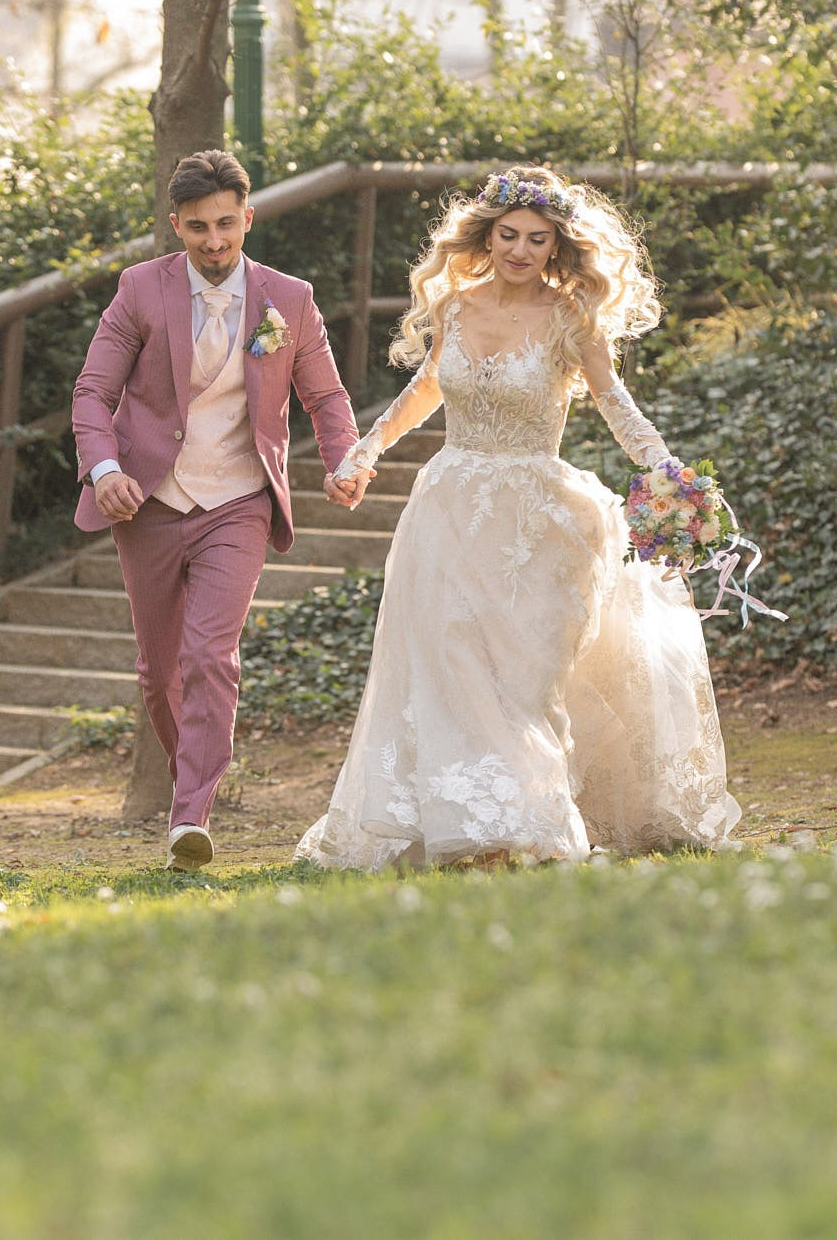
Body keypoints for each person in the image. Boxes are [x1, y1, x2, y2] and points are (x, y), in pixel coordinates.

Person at [296, 165, 741, 870]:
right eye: (509, 235)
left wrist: (666, 473)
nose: (521, 251)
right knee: (451, 658)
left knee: (526, 680)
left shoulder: (572, 317)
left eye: (537, 239)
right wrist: (365, 448)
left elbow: (615, 402)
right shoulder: (455, 305)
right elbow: (426, 389)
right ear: (487, 234)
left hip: (538, 521)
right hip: (449, 510)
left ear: (557, 245)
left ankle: (525, 815)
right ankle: (472, 827)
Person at [73, 150, 361, 872]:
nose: (213, 240)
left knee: (211, 653)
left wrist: (343, 460)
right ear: (176, 226)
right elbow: (91, 394)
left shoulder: (287, 299)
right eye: (197, 227)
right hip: (150, 502)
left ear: (248, 217)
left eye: (226, 224)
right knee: (158, 670)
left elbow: (324, 398)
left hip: (238, 499)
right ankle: (192, 776)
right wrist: (104, 469)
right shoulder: (140, 289)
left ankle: (190, 815)